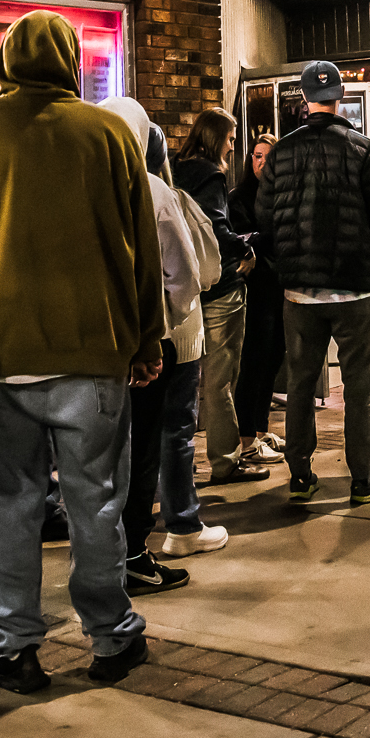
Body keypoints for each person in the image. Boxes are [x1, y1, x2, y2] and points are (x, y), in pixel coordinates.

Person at [0, 11, 163, 695]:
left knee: (6, 502)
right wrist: (146, 339)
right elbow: (139, 248)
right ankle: (112, 635)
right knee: (98, 501)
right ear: (71, 63)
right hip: (93, 354)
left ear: (3, 61)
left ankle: (13, 643)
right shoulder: (108, 133)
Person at [257, 60, 370, 506]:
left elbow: (263, 221)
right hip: (357, 289)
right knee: (361, 392)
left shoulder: (280, 153)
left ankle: (301, 477)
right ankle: (362, 480)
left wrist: (286, 267)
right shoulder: (364, 150)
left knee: (300, 386)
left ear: (303, 99)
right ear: (340, 98)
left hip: (299, 293)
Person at [102, 97, 225, 593]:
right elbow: (185, 274)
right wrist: (163, 326)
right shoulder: (152, 190)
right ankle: (134, 553)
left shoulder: (83, 186)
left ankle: (104, 554)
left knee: (103, 454)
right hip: (149, 347)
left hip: (98, 346)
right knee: (146, 446)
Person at [170, 108, 264, 486]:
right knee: (220, 379)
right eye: (230, 137)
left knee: (184, 378)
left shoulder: (174, 168)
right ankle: (225, 461)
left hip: (186, 288)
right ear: (215, 138)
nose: (233, 144)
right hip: (220, 286)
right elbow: (216, 228)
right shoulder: (211, 174)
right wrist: (246, 249)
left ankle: (178, 461)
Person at [229, 132, 287, 466]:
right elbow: (245, 236)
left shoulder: (281, 194)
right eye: (255, 155)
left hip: (280, 286)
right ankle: (246, 436)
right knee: (254, 361)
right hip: (256, 290)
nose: (260, 161)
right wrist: (264, 239)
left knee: (273, 359)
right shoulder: (240, 196)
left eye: (266, 156)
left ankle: (262, 428)